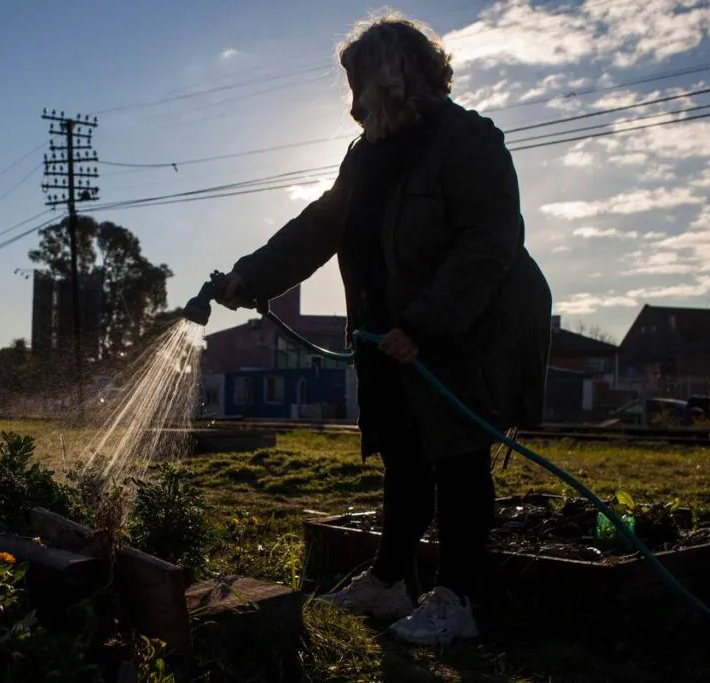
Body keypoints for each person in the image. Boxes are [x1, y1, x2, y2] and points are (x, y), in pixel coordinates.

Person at [215, 12, 552, 646]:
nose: (353, 104)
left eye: (359, 84)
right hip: (384, 329)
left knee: (457, 457)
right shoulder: (367, 154)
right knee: (401, 453)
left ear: (397, 76)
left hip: (468, 327)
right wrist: (250, 277)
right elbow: (320, 226)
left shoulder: (470, 142)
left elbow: (489, 243)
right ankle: (391, 580)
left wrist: (424, 323)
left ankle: (457, 600)